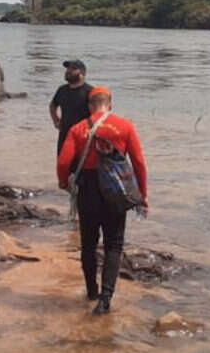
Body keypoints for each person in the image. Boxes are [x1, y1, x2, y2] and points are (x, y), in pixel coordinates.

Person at [56, 86, 148, 316]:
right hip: (115, 190)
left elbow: (63, 163)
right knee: (114, 245)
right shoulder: (125, 126)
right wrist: (142, 195)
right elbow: (138, 163)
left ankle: (91, 292)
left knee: (88, 243)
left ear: (89, 106)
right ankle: (105, 300)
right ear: (110, 103)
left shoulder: (78, 129)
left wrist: (64, 183)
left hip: (88, 189)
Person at [49, 59, 93, 153]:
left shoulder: (90, 91)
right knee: (63, 164)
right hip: (64, 135)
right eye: (67, 68)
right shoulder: (62, 90)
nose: (68, 71)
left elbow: (97, 114)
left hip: (83, 137)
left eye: (73, 68)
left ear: (82, 72)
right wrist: (56, 120)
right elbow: (53, 105)